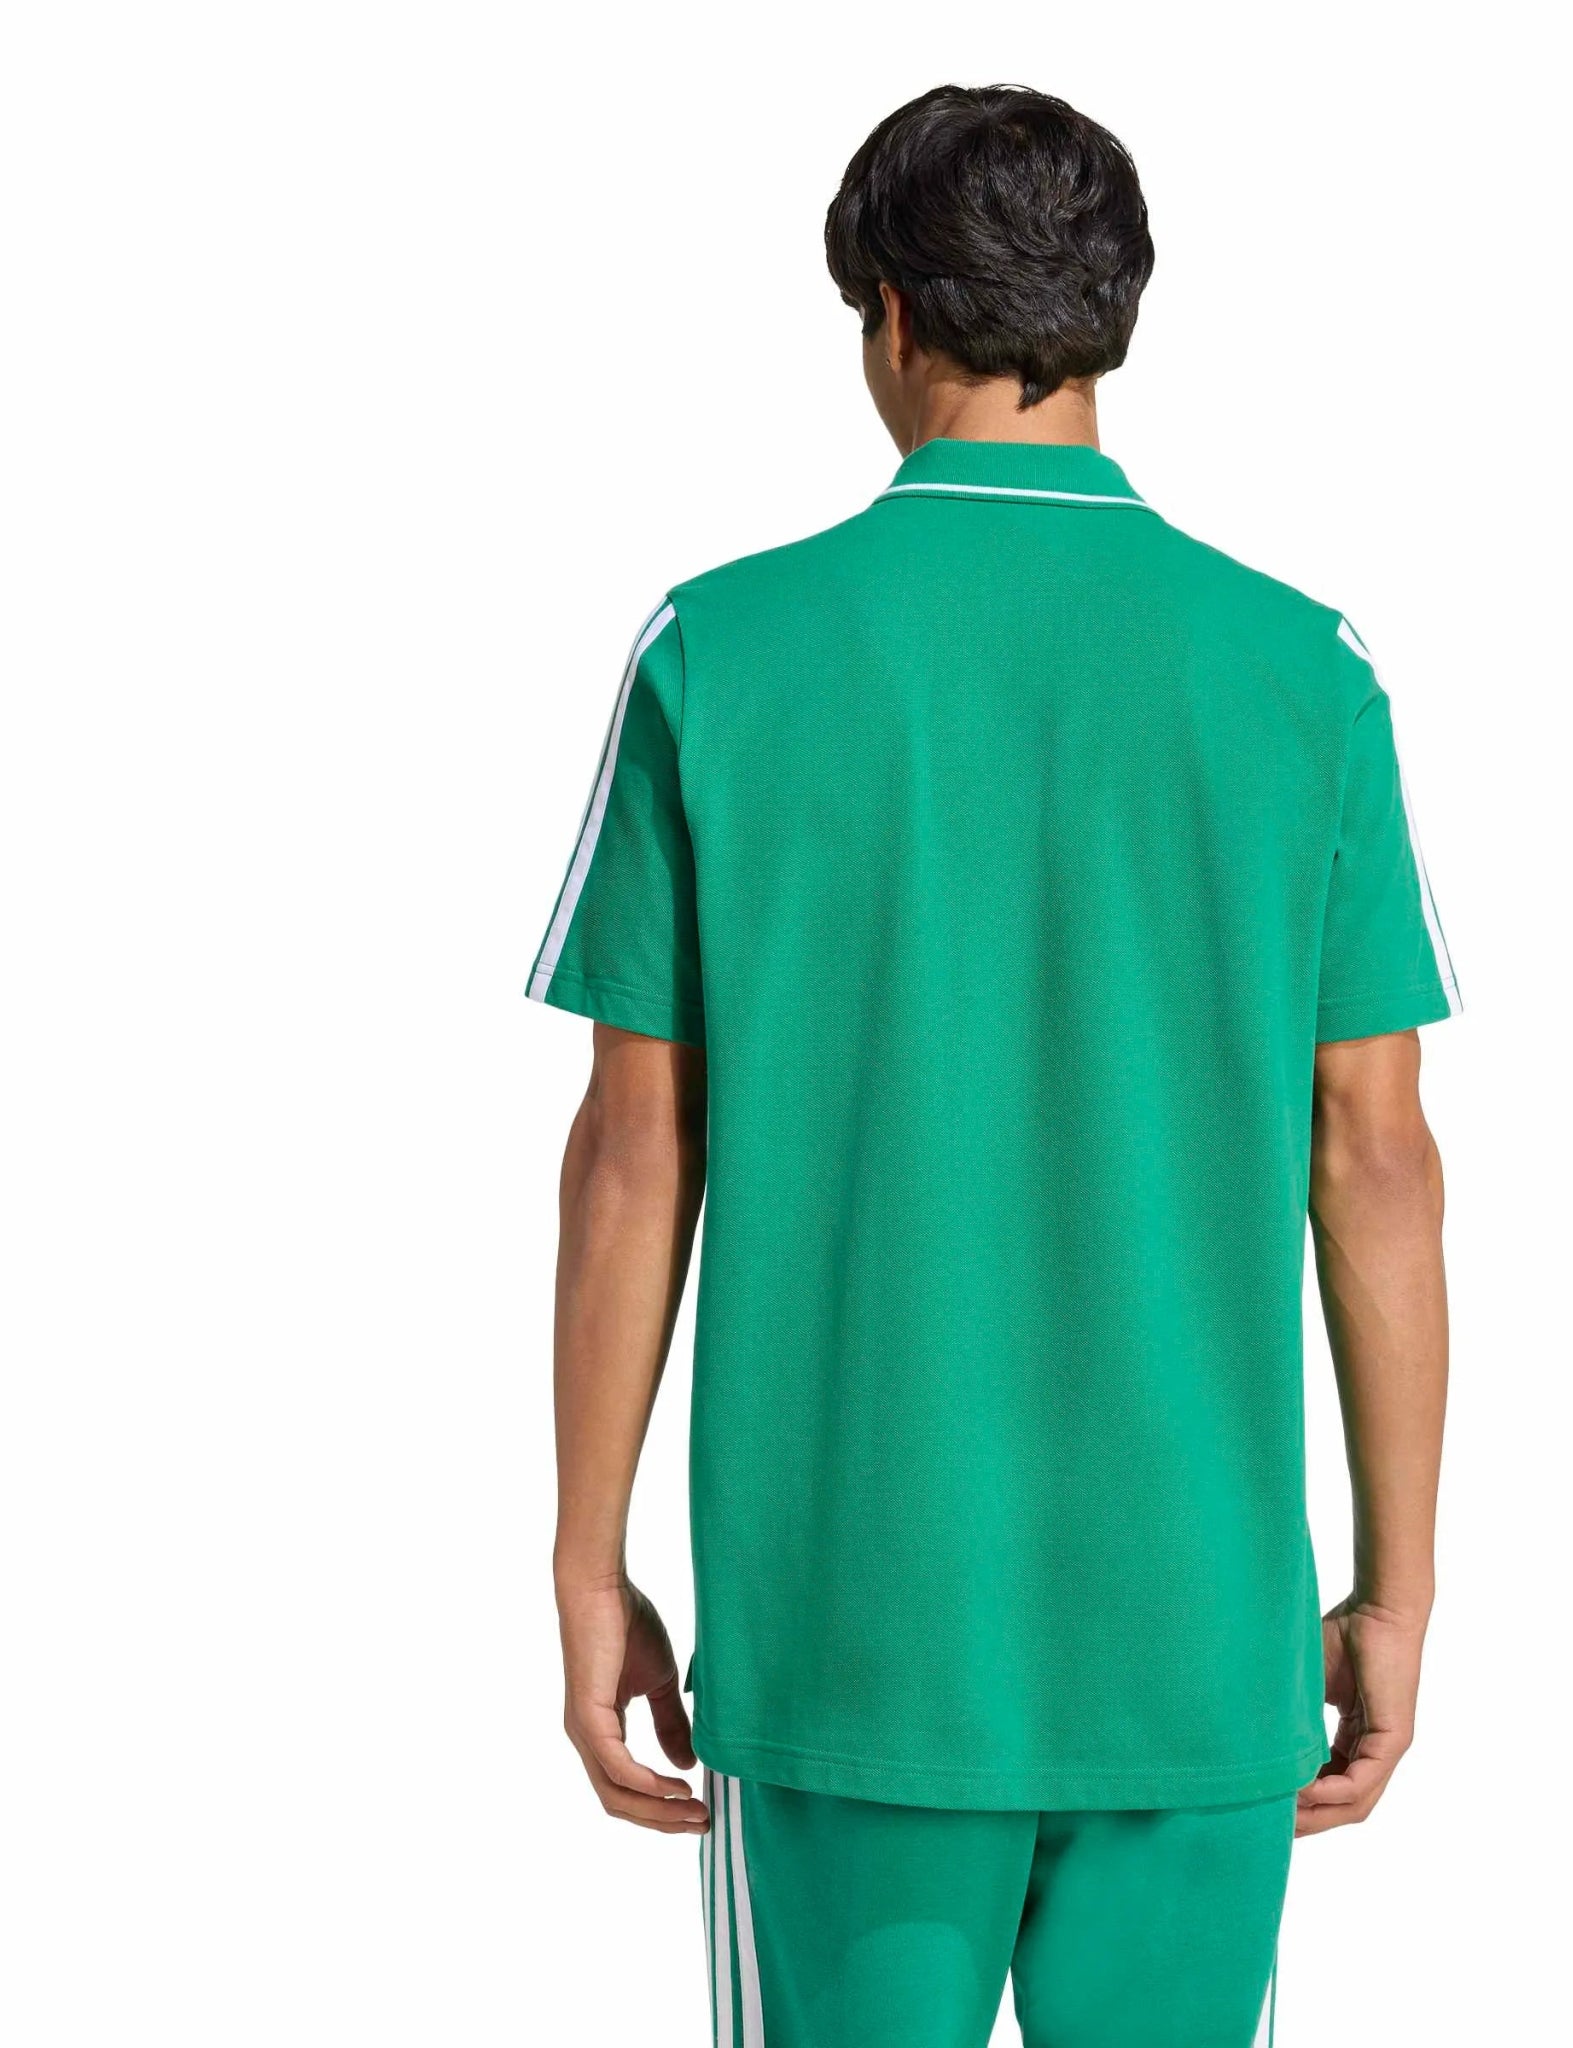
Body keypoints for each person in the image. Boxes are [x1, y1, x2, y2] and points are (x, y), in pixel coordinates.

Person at [529, 82, 1458, 2048]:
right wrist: (1394, 1587)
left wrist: (587, 1554)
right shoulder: (1308, 673)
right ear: (1114, 311)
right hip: (1198, 1636)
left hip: (848, 1632)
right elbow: (1373, 1157)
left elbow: (635, 1150)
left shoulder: (719, 651)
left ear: (887, 311)